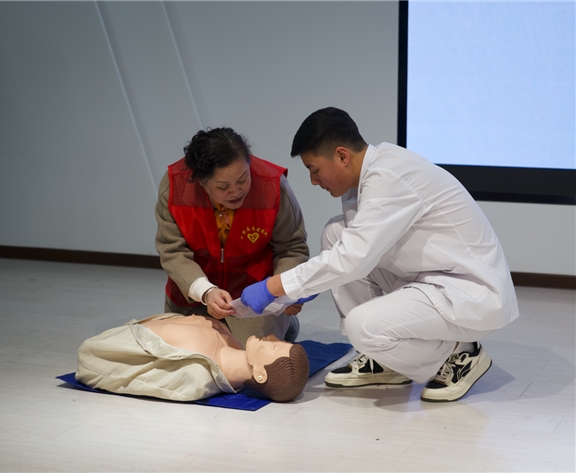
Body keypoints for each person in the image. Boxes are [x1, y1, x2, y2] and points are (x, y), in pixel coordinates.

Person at [241, 107, 520, 403]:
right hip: (433, 276)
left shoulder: (389, 176)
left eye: (314, 169)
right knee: (335, 233)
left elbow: (352, 259)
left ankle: (461, 354)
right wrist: (297, 288)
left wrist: (276, 286)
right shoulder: (365, 177)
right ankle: (387, 359)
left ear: (342, 156)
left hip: (467, 289)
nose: (313, 180)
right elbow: (353, 251)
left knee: (362, 325)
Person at [155, 127, 310, 348]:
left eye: (243, 179)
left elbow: (292, 247)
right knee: (184, 351)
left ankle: (287, 325)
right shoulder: (176, 187)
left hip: (254, 295)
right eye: (223, 186)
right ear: (201, 181)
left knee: (247, 352)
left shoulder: (272, 186)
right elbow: (172, 251)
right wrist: (205, 291)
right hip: (194, 291)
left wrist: (284, 292)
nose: (236, 191)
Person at [76, 313, 310, 403]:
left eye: (274, 346)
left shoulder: (195, 374)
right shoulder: (231, 341)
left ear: (260, 374)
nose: (271, 337)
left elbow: (92, 358)